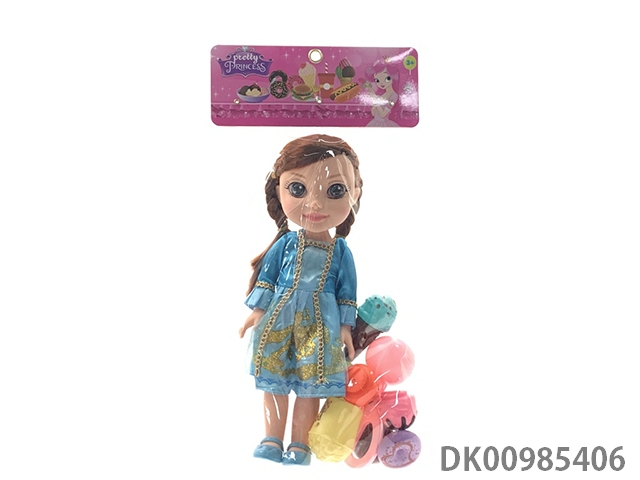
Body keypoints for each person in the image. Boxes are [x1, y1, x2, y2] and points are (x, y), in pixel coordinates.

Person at [238, 134, 363, 466]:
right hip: (280, 319)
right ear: (278, 188)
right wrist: (257, 311)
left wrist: (346, 329)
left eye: (335, 191)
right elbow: (267, 277)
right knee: (275, 383)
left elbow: (347, 293)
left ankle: (299, 444)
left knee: (310, 387)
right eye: (297, 189)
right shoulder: (285, 244)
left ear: (355, 193)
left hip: (321, 327)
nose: (315, 204)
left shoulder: (340, 251)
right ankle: (271, 438)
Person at [364, 61, 400, 127]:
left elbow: (383, 114)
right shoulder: (383, 95)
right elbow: (373, 113)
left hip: (384, 124)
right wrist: (374, 103)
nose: (381, 83)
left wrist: (375, 98)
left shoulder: (394, 96)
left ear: (393, 77)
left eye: (387, 79)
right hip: (375, 122)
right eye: (377, 80)